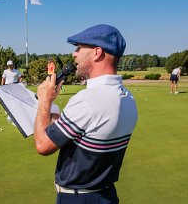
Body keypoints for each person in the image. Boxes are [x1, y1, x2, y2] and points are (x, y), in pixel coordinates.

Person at [34, 24, 138, 204]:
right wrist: (55, 118)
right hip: (107, 195)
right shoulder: (129, 98)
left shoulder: (87, 101)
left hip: (78, 198)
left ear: (97, 52)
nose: (75, 54)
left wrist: (45, 101)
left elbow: (43, 146)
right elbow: (89, 129)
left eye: (79, 48)